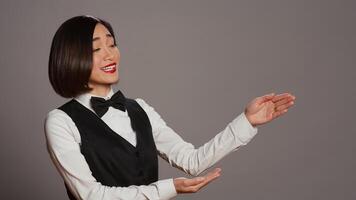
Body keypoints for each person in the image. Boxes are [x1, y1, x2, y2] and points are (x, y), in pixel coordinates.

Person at [44, 15, 296, 200]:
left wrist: (247, 121)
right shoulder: (60, 121)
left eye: (112, 44)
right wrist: (170, 187)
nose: (110, 55)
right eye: (96, 48)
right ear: (72, 57)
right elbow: (91, 195)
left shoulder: (138, 108)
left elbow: (191, 160)